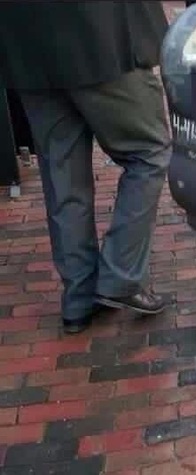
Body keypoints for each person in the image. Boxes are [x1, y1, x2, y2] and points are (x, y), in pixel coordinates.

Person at [0, 2, 172, 334]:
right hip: (102, 36)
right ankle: (120, 278)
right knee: (148, 152)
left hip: (28, 43)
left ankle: (79, 296)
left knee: (62, 174)